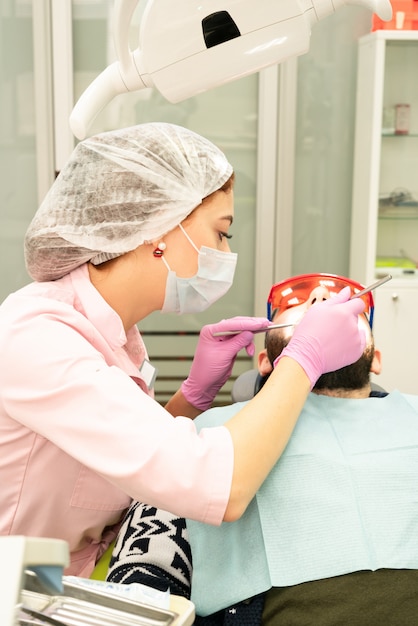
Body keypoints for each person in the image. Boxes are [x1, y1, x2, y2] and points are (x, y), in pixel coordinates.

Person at [0, 123, 365, 578]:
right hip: (17, 585)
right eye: (221, 232)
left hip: (53, 577)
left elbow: (138, 454)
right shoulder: (38, 338)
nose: (224, 251)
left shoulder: (113, 332)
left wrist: (192, 399)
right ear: (160, 229)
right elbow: (219, 486)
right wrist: (305, 357)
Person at [106, 273, 418, 626]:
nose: (319, 297)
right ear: (266, 361)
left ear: (375, 359)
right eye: (298, 305)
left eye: (346, 306)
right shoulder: (199, 434)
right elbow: (137, 585)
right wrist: (192, 396)